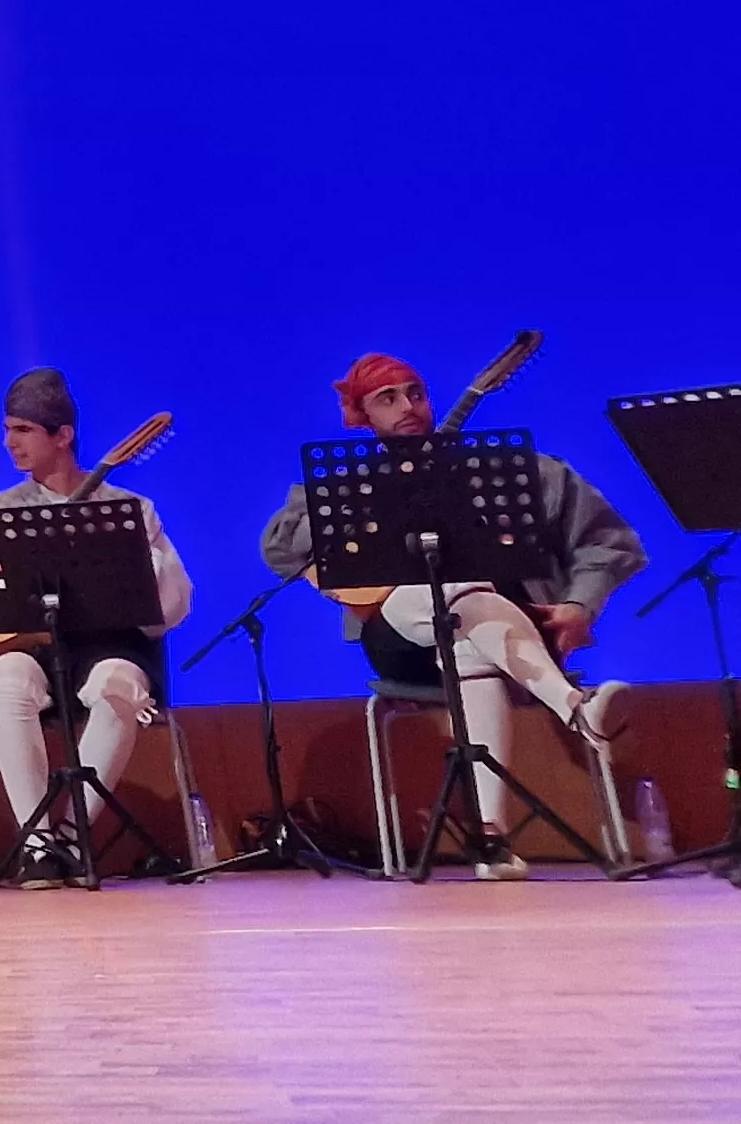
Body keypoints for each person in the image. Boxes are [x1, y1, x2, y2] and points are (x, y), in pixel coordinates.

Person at [258, 352, 639, 878]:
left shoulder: (517, 471)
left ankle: (491, 841)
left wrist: (579, 604)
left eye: (416, 392)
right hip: (401, 642)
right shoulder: (345, 485)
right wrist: (369, 505)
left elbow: (607, 542)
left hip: (517, 634)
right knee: (458, 590)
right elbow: (280, 549)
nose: (408, 406)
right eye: (387, 398)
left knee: (469, 656)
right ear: (362, 416)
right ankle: (576, 708)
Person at [0, 369, 190, 888]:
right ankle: (37, 844)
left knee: (117, 682)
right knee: (6, 682)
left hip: (107, 646)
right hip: (34, 649)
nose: (9, 443)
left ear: (62, 434)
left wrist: (127, 557)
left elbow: (173, 605)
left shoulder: (131, 510)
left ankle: (71, 838)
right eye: (6, 429)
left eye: (22, 429)